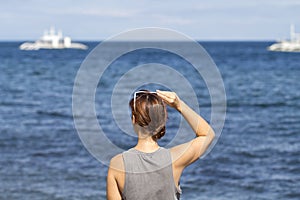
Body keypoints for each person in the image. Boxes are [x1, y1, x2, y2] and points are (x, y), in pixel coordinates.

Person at [107, 90, 215, 200]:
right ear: (162, 122)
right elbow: (207, 134)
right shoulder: (174, 160)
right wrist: (179, 105)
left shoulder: (117, 164)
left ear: (134, 119)